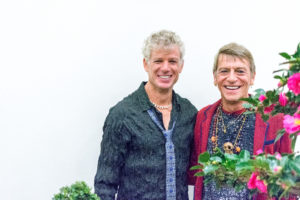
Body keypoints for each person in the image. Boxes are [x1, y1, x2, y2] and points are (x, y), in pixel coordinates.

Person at [94, 30, 197, 200]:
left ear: (181, 66)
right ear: (146, 64)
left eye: (172, 61)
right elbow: (105, 185)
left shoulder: (189, 112)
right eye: (158, 61)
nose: (166, 68)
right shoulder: (122, 115)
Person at [188, 43, 293, 200]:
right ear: (215, 78)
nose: (231, 78)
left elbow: (288, 183)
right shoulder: (202, 117)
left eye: (240, 71)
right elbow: (195, 175)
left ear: (252, 78)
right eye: (224, 71)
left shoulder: (275, 119)